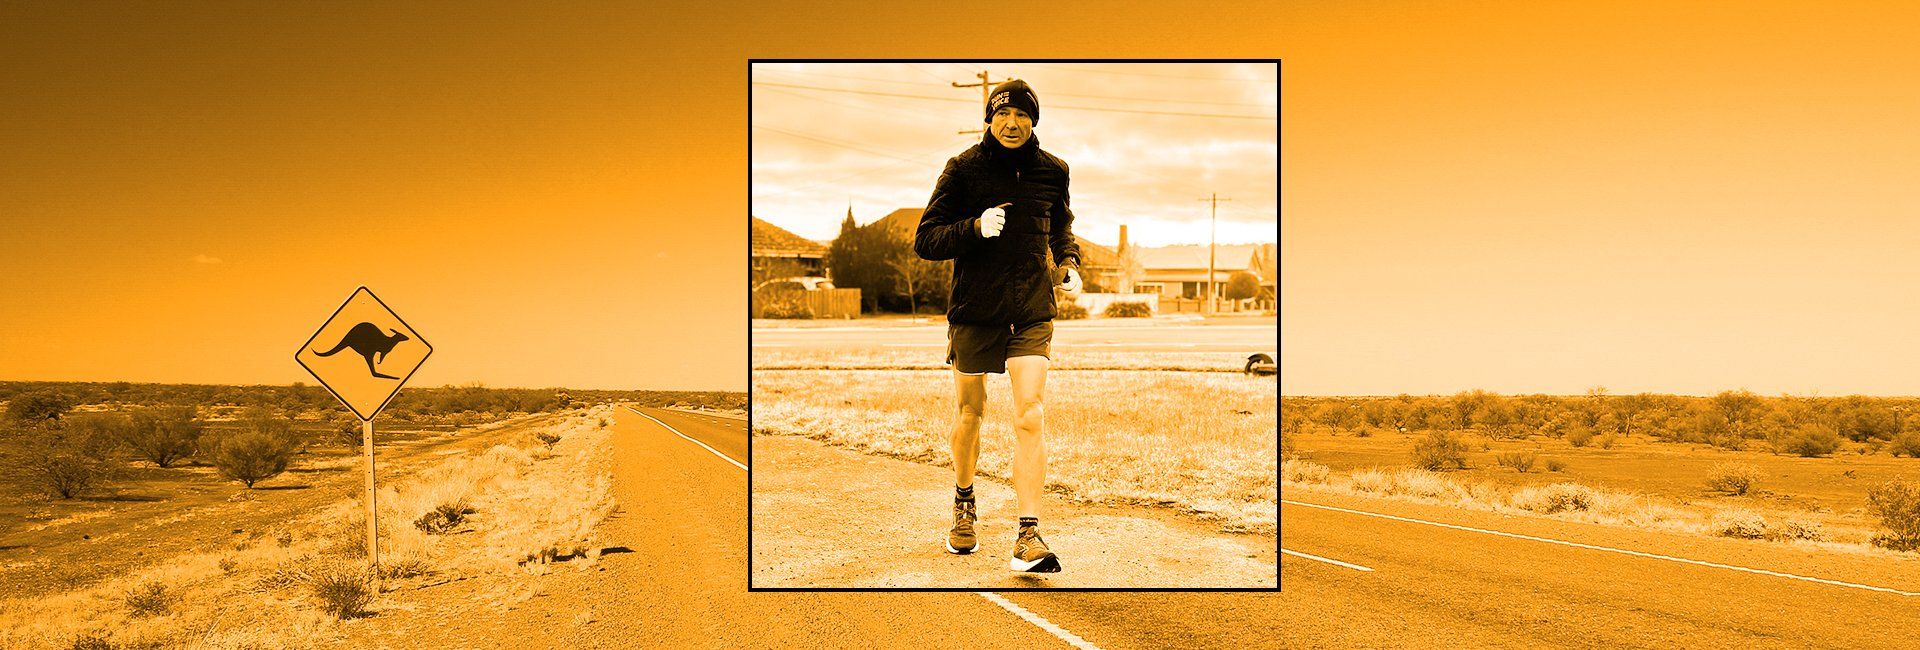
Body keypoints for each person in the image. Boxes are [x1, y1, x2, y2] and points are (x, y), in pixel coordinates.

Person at [913, 79, 1082, 573]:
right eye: (1002, 116)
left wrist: (1068, 262)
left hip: (1031, 309)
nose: (1012, 124)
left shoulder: (1054, 171)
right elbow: (926, 238)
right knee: (970, 413)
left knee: (1030, 413)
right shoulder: (963, 169)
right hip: (975, 310)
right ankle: (964, 503)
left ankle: (1028, 535)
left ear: (1034, 121)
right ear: (990, 118)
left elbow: (1062, 226)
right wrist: (972, 227)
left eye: (1022, 116)